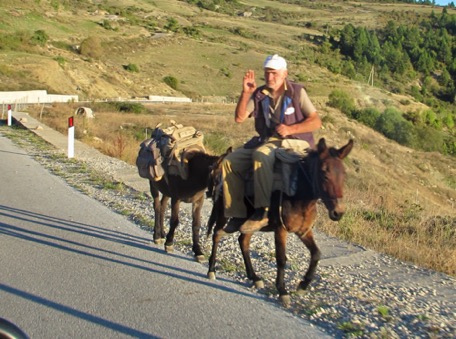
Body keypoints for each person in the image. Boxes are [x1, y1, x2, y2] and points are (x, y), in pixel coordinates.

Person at [222, 54, 322, 234]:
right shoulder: (259, 94)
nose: (269, 77)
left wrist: (291, 129)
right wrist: (246, 93)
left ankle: (262, 211)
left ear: (285, 74)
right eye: (267, 73)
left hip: (293, 142)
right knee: (229, 162)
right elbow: (239, 118)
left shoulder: (297, 92)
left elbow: (316, 122)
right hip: (267, 141)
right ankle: (236, 213)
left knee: (261, 154)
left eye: (274, 73)